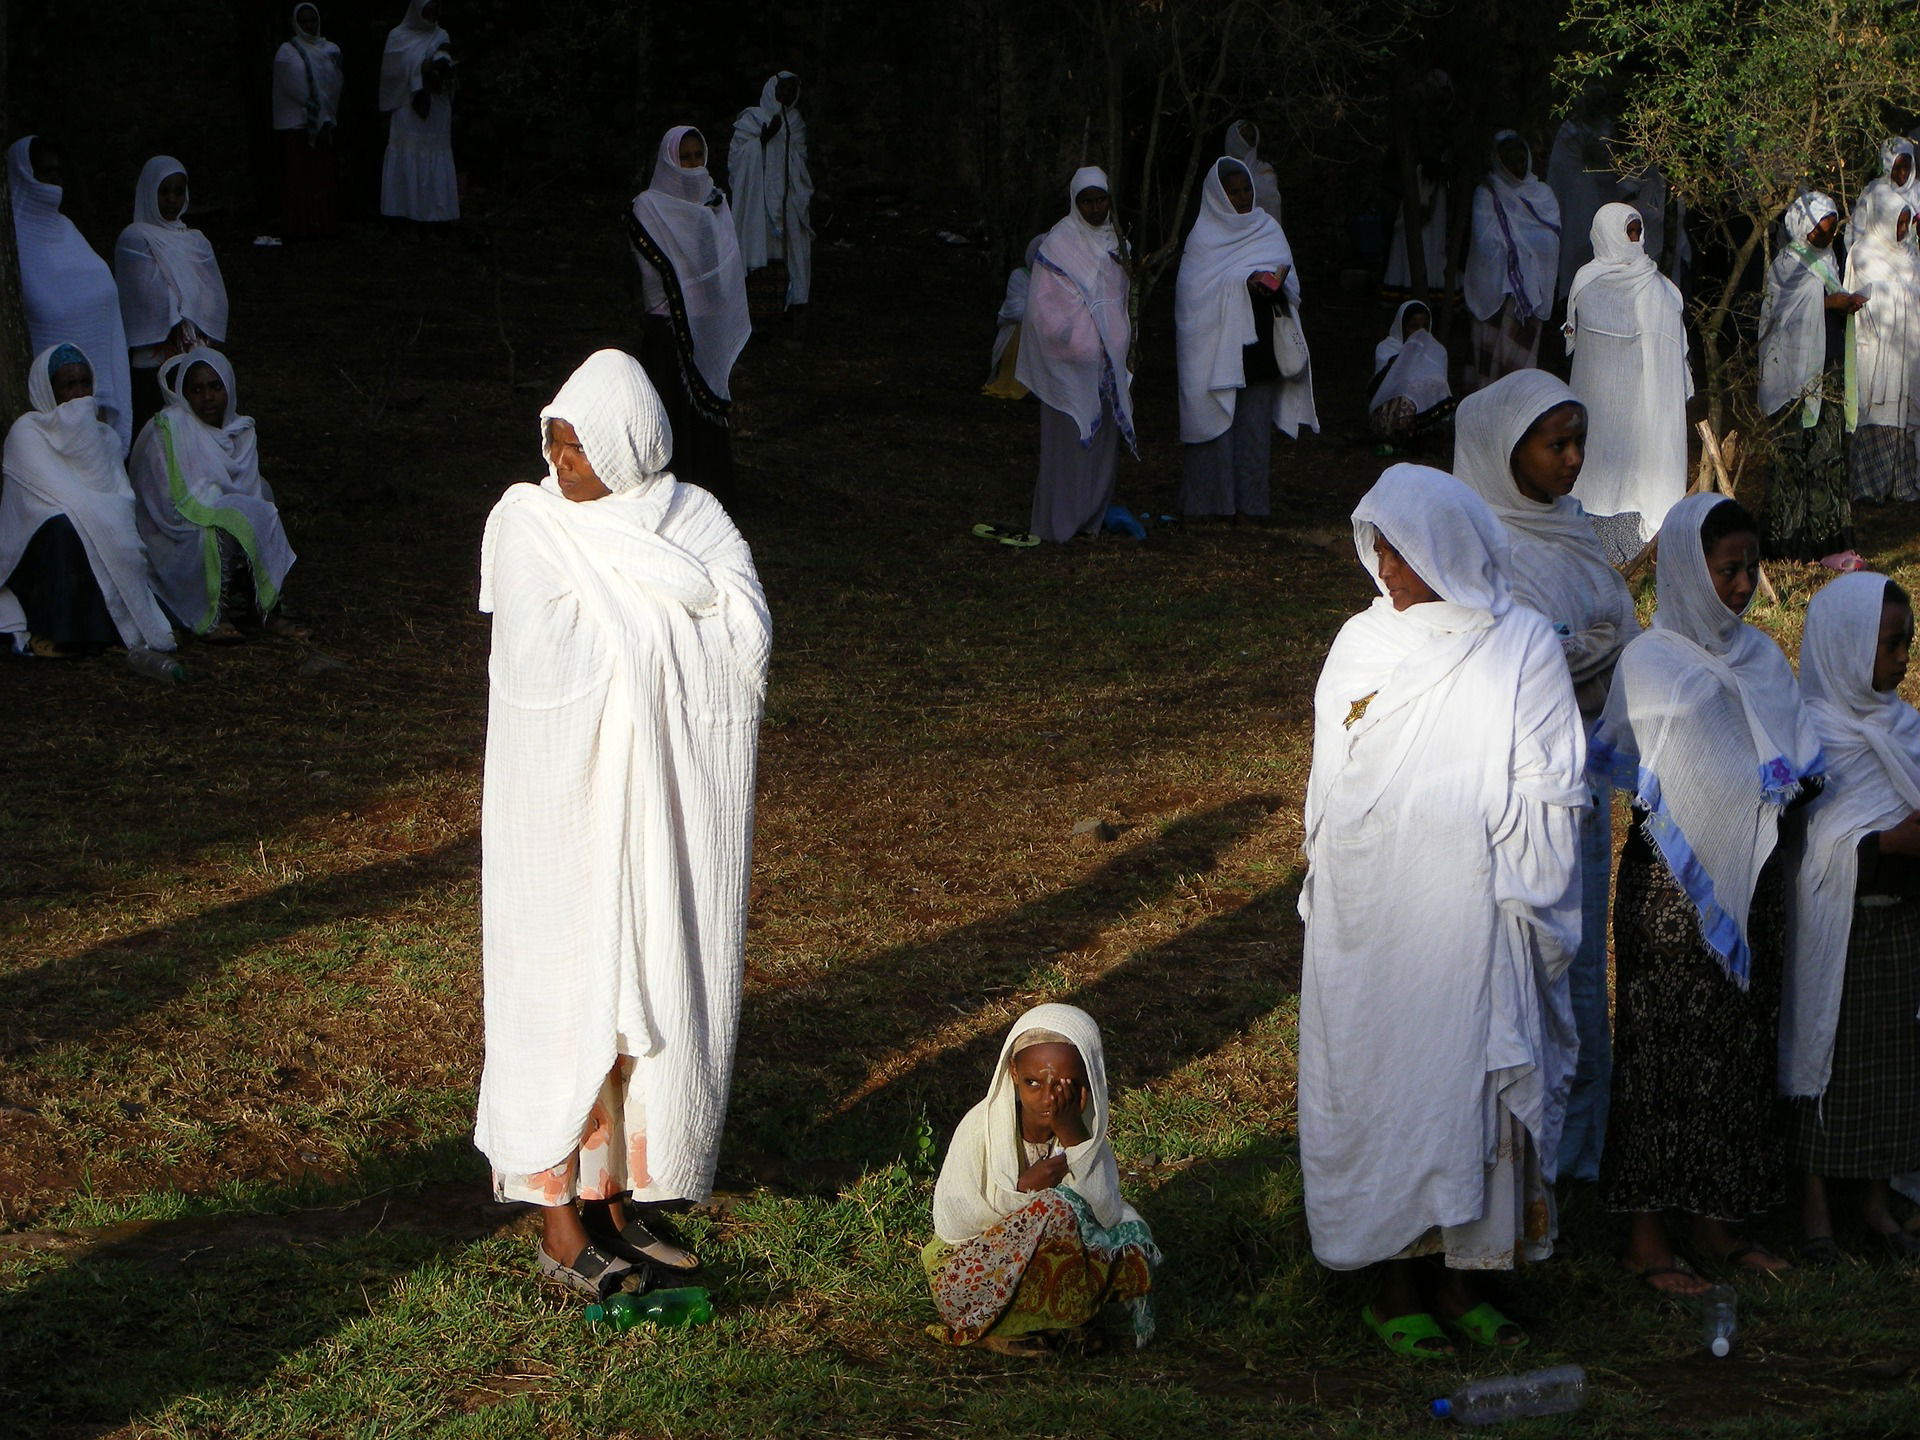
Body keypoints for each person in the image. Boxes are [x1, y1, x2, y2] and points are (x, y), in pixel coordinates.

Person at [474, 349, 770, 1300]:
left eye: (577, 444)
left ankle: (615, 1201)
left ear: (629, 445)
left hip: (661, 815)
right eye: (552, 440)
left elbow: (747, 635)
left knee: (650, 989)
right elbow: (544, 660)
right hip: (562, 812)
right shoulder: (529, 527)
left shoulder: (691, 519)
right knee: (566, 999)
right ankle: (559, 1221)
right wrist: (657, 631)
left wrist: (648, 636)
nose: (559, 460)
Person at [1299, 465, 1586, 1356]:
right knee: (1390, 1092)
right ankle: (1396, 1284)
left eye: (1398, 544)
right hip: (1377, 922)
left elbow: (1551, 782)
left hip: (1483, 915)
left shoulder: (1522, 643)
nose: (1382, 562)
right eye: (1374, 542)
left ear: (1445, 545)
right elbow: (1329, 789)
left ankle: (1469, 1283)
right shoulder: (1360, 643)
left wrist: (1494, 872)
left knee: (1474, 1098)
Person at [1591, 494, 1824, 1291]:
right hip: (1671, 887)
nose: (1742, 586)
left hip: (1754, 885)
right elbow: (1649, 768)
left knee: (1735, 1054)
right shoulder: (1651, 660)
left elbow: (1793, 756)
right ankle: (1648, 1239)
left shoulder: (1760, 656)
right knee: (1663, 1058)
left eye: (1750, 569)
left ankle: (1717, 1222)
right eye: (1727, 570)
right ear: (1691, 569)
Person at [1453, 371, 1640, 1183]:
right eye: (1555, 444)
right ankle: (1521, 1167)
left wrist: (1584, 642)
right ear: (1505, 448)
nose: (1572, 461)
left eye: (1579, 444)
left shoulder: (1574, 529)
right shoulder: (1476, 543)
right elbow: (1534, 657)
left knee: (1581, 967)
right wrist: (1589, 641)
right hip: (1516, 788)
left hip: (1587, 777)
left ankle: (1577, 1157)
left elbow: (1603, 640)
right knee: (1530, 968)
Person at [1782, 572, 1920, 1263]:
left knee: (1892, 1065)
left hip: (1897, 923)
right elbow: (1809, 844)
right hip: (1838, 930)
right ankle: (1813, 1210)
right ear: (1843, 647)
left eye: (1907, 643)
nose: (1902, 659)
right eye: (1889, 645)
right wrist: (1888, 841)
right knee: (1826, 1060)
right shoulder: (1812, 735)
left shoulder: (1903, 727)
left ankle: (1872, 1199)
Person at [925, 1003, 1158, 1355]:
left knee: (1133, 1232)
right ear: (1013, 1073)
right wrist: (1024, 1194)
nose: (1049, 1098)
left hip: (1040, 1272)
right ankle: (998, 1327)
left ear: (1089, 1083)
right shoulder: (980, 1129)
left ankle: (1057, 1322)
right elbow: (956, 1223)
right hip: (970, 1282)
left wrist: (1072, 1134)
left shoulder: (1086, 1136)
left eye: (1066, 1086)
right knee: (1055, 1207)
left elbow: (1104, 1214)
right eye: (1034, 1082)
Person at [0, 344, 177, 661]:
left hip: (97, 524)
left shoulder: (104, 437)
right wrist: (103, 518)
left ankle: (103, 630)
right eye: (69, 385)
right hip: (37, 544)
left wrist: (107, 519)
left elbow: (121, 498)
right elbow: (56, 497)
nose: (80, 394)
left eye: (85, 383)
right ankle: (61, 631)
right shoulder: (27, 431)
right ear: (49, 390)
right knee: (66, 527)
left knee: (103, 532)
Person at [1175, 157, 1317, 521]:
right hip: (1214, 350)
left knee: (1254, 431)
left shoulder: (1266, 228)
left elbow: (1293, 285)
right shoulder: (1203, 237)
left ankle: (1252, 506)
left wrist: (1272, 282)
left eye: (1245, 191)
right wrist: (1242, 282)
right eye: (1233, 192)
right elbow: (1192, 298)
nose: (1240, 198)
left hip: (1259, 349)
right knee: (1215, 428)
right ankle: (1211, 506)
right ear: (1218, 194)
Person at [128, 349, 300, 642]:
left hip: (213, 512)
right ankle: (210, 617)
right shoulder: (169, 427)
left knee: (260, 502)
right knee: (221, 523)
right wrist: (218, 507)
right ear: (184, 393)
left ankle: (264, 610)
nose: (207, 397)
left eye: (215, 387)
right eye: (196, 389)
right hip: (169, 526)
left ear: (229, 388)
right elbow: (162, 497)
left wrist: (226, 506)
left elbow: (249, 491)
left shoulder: (241, 431)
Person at [627, 126, 750, 502]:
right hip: (668, 330)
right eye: (686, 157)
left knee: (703, 420)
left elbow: (724, 266)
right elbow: (659, 274)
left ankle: (709, 490)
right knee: (670, 411)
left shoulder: (712, 202)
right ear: (669, 159)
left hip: (705, 325)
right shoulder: (648, 206)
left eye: (699, 156)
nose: (693, 164)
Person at [1564, 202, 1692, 557]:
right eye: (1627, 232)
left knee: (1638, 473)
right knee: (1598, 471)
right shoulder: (1587, 283)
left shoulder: (1660, 289)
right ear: (1605, 234)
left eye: (1637, 232)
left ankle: (1637, 550)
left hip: (1645, 407)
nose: (1634, 240)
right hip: (1599, 407)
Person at [1016, 167, 1135, 544]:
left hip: (1106, 366)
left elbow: (1118, 302)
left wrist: (1116, 340)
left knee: (1101, 449)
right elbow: (1043, 307)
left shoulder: (1118, 244)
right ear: (1075, 202)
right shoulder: (1059, 244)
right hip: (1068, 365)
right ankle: (1059, 524)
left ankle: (1090, 520)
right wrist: (1076, 335)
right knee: (1065, 449)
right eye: (1087, 201)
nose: (1095, 208)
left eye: (1101, 199)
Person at [6, 136, 134, 455]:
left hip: (96, 398)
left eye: (58, 174)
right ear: (23, 173)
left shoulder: (67, 230)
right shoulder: (12, 240)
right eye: (45, 174)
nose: (54, 183)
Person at [1758, 192, 1862, 566]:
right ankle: (1788, 540)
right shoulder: (1786, 264)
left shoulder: (1827, 260)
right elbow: (1782, 316)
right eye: (1821, 230)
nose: (1826, 237)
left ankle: (1827, 540)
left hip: (1828, 368)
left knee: (1827, 454)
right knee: (1793, 456)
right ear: (1804, 227)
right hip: (1796, 377)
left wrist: (1844, 303)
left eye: (1832, 231)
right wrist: (1829, 303)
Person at [115, 157, 231, 434]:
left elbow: (212, 296)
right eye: (164, 191)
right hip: (154, 358)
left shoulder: (196, 241)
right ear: (149, 192)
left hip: (197, 354)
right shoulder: (134, 239)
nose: (172, 199)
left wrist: (188, 310)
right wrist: (184, 308)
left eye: (178, 192)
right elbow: (146, 296)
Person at [1463, 131, 1561, 391]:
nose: (1517, 167)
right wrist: (1519, 260)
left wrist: (1523, 257)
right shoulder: (1488, 193)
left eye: (1521, 160)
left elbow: (1550, 241)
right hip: (1496, 292)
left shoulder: (1544, 194)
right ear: (1498, 161)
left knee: (1518, 369)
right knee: (1491, 364)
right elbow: (1486, 242)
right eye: (1509, 161)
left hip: (1529, 298)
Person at [1845, 182, 1920, 503]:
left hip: (1907, 351)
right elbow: (1858, 299)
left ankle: (1903, 484)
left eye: (1905, 222)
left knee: (1905, 414)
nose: (1902, 229)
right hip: (1876, 350)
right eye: (1898, 222)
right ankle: (1869, 487)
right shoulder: (1862, 254)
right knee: (1877, 414)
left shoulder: (1908, 254)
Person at [729, 72, 813, 316]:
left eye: (791, 90)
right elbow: (736, 159)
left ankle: (786, 311)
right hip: (757, 200)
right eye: (782, 89)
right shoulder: (751, 120)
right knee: (758, 250)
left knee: (789, 254)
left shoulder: (795, 123)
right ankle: (756, 316)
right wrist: (763, 140)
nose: (786, 95)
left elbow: (800, 159)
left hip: (788, 199)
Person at [378, 0, 457, 226]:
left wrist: (442, 69)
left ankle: (437, 215)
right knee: (409, 153)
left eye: (435, 10)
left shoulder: (441, 35)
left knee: (434, 154)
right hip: (406, 105)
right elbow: (392, 73)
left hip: (436, 107)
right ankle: (406, 213)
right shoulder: (398, 37)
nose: (432, 15)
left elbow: (446, 63)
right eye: (427, 10)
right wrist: (419, 69)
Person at [271, 3, 345, 240]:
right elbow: (293, 86)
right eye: (304, 22)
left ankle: (323, 227)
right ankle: (297, 229)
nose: (309, 26)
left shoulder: (329, 49)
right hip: (295, 125)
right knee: (297, 178)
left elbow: (334, 85)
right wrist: (313, 104)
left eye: (312, 21)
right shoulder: (287, 52)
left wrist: (324, 112)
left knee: (321, 177)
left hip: (322, 124)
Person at [1544, 106, 1619, 305]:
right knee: (1576, 254)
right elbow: (1560, 171)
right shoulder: (1570, 130)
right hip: (1576, 202)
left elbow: (1612, 165)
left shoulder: (1607, 127)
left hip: (1606, 201)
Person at [1368, 301, 1452, 447]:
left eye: (1424, 327)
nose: (1420, 333)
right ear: (1402, 327)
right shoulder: (1386, 349)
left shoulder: (1437, 352)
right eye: (1414, 327)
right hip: (1390, 413)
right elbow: (1384, 388)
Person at [982, 236, 1040, 400]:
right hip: (1020, 331)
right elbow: (1015, 310)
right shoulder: (1020, 277)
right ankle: (1018, 384)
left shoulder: (1060, 282)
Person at [1224, 119, 1282, 224]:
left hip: (1261, 232)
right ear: (1233, 138)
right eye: (1243, 137)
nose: (1247, 142)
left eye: (1252, 139)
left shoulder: (1264, 170)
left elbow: (1272, 202)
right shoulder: (1219, 173)